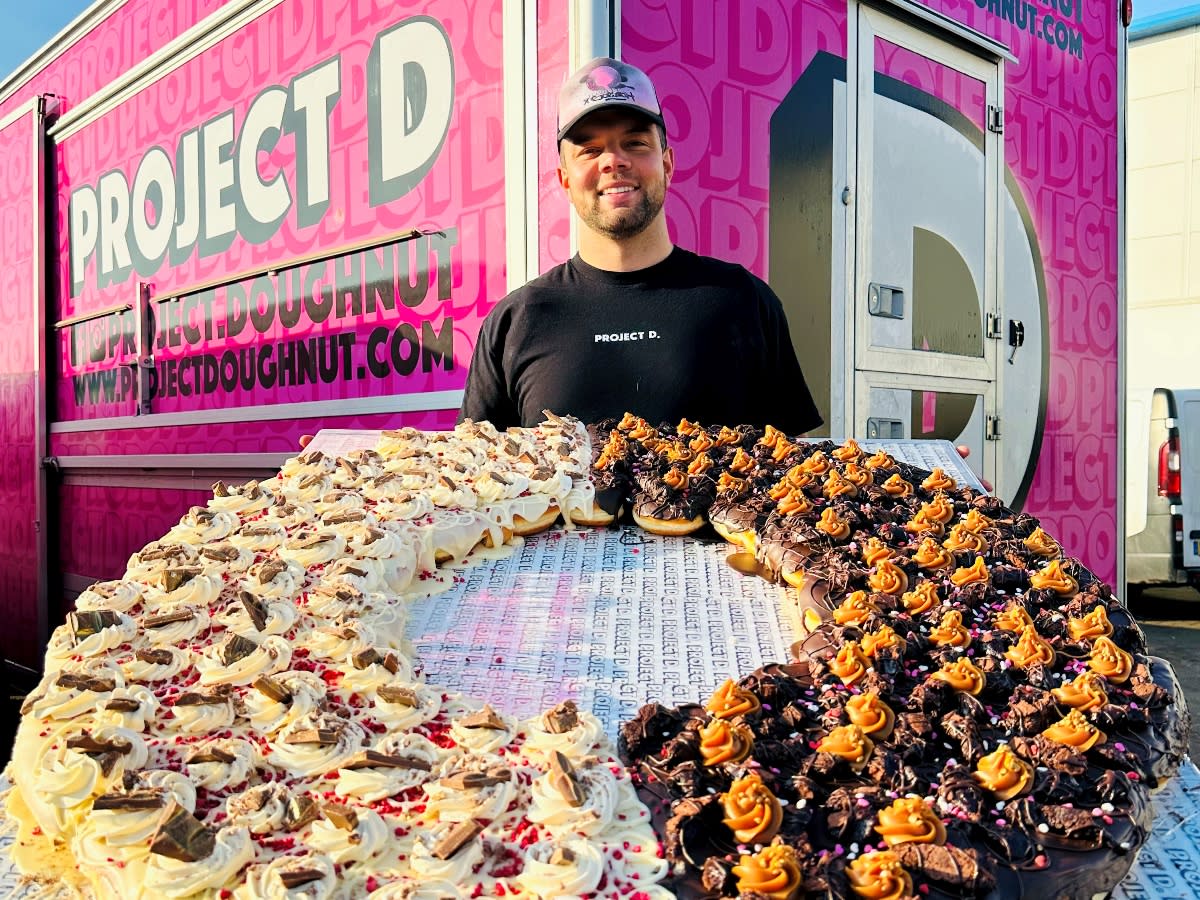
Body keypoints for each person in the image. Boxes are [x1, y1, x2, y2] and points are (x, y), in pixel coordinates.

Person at [458, 56, 823, 436]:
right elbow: (478, 479)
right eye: (590, 150)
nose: (614, 161)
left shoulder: (744, 301)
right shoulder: (516, 321)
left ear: (666, 164)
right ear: (565, 180)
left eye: (635, 143)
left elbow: (794, 472)